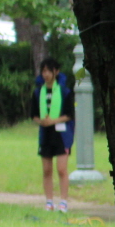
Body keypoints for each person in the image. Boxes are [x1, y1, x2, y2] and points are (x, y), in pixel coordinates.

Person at [30, 56, 74, 213]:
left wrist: (53, 121)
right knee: (47, 170)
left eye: (49, 71)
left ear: (56, 72)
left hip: (61, 135)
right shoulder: (38, 92)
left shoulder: (64, 91)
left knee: (62, 169)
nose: (46, 74)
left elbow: (69, 114)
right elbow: (33, 114)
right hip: (45, 134)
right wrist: (42, 122)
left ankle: (63, 201)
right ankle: (49, 201)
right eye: (43, 71)